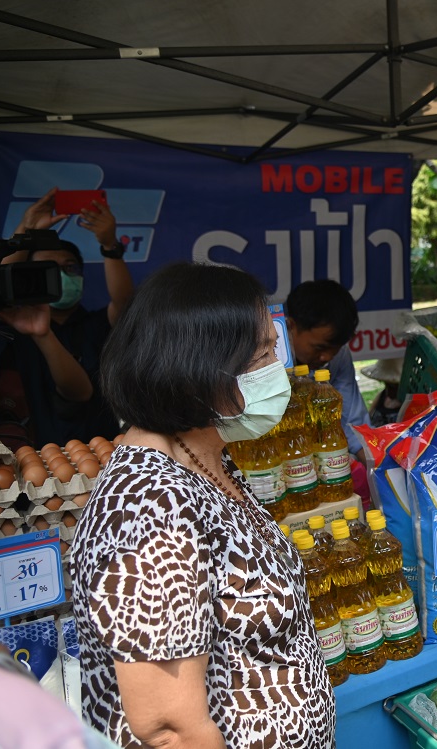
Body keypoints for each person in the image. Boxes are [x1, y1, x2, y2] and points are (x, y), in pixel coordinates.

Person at [70, 262, 335, 747]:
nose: (276, 369)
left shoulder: (203, 456)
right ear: (196, 368)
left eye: (273, 348)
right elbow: (168, 727)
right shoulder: (149, 506)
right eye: (260, 356)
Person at [0, 189, 133, 448]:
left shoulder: (97, 324)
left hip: (100, 451)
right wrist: (25, 229)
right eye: (49, 269)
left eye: (69, 267)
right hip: (31, 454)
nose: (61, 275)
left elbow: (126, 305)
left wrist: (110, 245)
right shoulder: (12, 326)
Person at [285, 279, 371, 462]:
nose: (327, 357)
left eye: (335, 348)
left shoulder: (339, 356)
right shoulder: (265, 357)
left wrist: (376, 469)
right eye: (319, 348)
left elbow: (352, 422)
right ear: (290, 326)